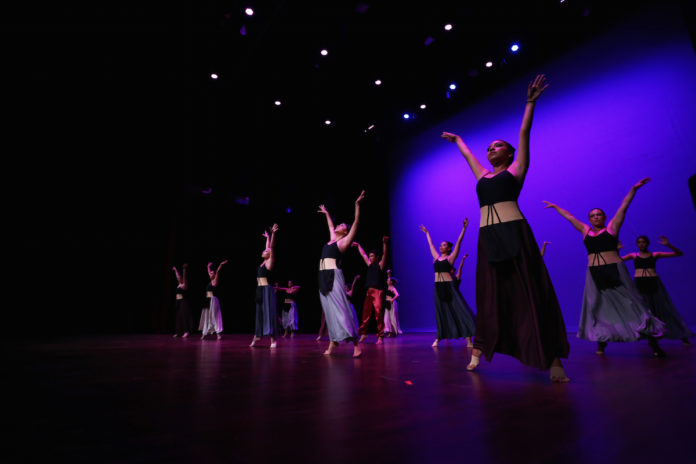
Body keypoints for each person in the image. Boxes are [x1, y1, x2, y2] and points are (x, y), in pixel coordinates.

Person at [441, 74, 570, 382]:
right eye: (489, 147)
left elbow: (524, 132)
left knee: (529, 291)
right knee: (489, 295)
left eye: (497, 146)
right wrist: (459, 141)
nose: (491, 149)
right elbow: (469, 156)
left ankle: (552, 360)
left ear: (510, 154)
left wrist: (529, 103)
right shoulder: (483, 176)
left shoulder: (516, 170)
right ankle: (478, 350)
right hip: (488, 236)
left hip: (514, 232)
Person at [543, 178, 666, 357]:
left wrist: (633, 189)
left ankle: (654, 344)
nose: (595, 217)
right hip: (594, 272)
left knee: (634, 303)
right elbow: (570, 217)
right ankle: (601, 344)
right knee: (597, 306)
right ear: (589, 219)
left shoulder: (612, 228)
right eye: (592, 215)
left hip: (614, 269)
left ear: (604, 217)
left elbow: (624, 206)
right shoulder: (585, 231)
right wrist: (556, 207)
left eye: (598, 214)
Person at [317, 191, 365, 357]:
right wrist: (327, 214)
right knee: (329, 312)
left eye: (342, 226)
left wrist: (356, 205)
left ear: (345, 232)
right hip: (323, 276)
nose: (338, 226)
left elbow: (356, 222)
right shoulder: (332, 239)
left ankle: (356, 345)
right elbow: (330, 226)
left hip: (334, 276)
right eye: (339, 225)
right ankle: (333, 343)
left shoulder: (344, 242)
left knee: (341, 309)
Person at [621, 235, 692, 345]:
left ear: (647, 243)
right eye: (639, 242)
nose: (641, 244)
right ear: (636, 244)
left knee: (664, 309)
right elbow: (617, 261)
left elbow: (679, 253)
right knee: (643, 310)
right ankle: (648, 336)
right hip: (640, 284)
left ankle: (681, 335)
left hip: (653, 283)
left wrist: (668, 245)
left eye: (643, 242)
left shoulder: (654, 255)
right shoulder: (634, 255)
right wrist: (617, 250)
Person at [418, 220, 476, 348]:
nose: (441, 247)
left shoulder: (450, 258)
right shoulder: (436, 258)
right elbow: (431, 245)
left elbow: (459, 243)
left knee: (459, 310)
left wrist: (464, 229)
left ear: (449, 248)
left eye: (444, 245)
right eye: (441, 245)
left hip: (450, 287)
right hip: (438, 287)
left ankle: (468, 339)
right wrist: (427, 233)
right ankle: (439, 338)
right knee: (440, 312)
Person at [354, 237, 389, 344]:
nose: (370, 257)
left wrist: (385, 244)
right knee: (365, 314)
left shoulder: (380, 266)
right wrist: (358, 246)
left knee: (378, 313)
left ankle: (380, 336)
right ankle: (364, 333)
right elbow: (363, 255)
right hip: (369, 292)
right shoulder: (369, 265)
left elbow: (385, 255)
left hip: (377, 292)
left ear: (377, 257)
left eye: (372, 256)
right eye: (370, 256)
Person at [250, 224, 279, 348]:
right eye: (264, 250)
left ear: (269, 254)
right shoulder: (263, 262)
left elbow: (271, 247)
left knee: (269, 313)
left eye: (266, 251)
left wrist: (273, 234)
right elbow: (267, 247)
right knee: (259, 314)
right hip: (259, 289)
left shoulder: (269, 263)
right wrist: (267, 237)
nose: (264, 251)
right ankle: (257, 336)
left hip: (267, 290)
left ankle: (273, 339)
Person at [316, 274, 359, 341]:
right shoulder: (343, 293)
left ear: (348, 288)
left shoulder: (350, 292)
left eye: (346, 287)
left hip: (349, 307)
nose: (345, 288)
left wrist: (355, 279)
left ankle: (351, 334)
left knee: (351, 321)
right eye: (345, 287)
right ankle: (342, 335)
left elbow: (353, 286)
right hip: (344, 308)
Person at [199, 260, 228, 340]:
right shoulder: (210, 281)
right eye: (210, 273)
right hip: (207, 300)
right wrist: (208, 267)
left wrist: (220, 264)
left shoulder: (215, 281)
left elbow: (218, 271)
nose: (210, 273)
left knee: (214, 316)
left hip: (213, 300)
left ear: (214, 275)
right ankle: (204, 334)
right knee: (206, 316)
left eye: (212, 273)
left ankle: (218, 334)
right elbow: (208, 272)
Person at [172, 263, 193, 338]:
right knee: (178, 317)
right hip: (178, 302)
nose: (179, 278)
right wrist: (175, 270)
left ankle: (186, 331)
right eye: (178, 278)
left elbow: (184, 277)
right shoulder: (179, 285)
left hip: (183, 302)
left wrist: (184, 270)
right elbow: (177, 276)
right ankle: (179, 332)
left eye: (180, 278)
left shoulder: (184, 285)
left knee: (184, 317)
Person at [383, 270, 403, 337]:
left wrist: (392, 299)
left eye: (388, 281)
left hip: (391, 304)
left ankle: (393, 332)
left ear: (391, 282)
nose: (387, 281)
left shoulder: (393, 288)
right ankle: (389, 332)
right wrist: (388, 273)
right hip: (387, 303)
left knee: (392, 317)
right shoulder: (388, 286)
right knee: (386, 318)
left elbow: (397, 295)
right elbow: (388, 279)